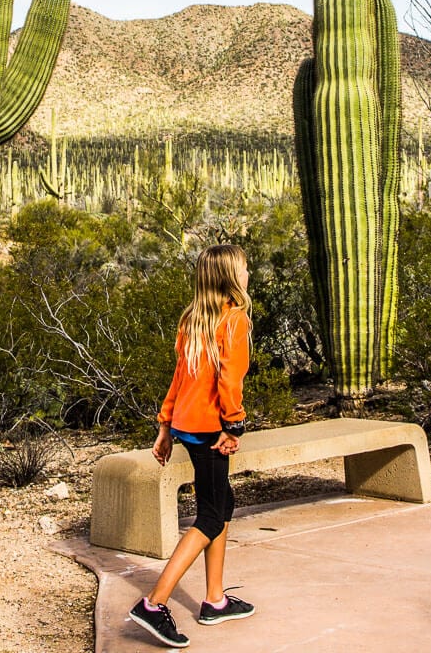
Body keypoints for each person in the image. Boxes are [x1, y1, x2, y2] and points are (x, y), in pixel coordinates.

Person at [128, 244, 255, 649]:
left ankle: (215, 600)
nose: (248, 274)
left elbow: (179, 380)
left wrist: (164, 427)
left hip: (187, 427)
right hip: (213, 430)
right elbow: (229, 382)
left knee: (222, 505)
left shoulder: (193, 319)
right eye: (244, 269)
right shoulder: (234, 320)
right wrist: (234, 426)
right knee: (210, 517)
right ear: (231, 278)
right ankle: (153, 604)